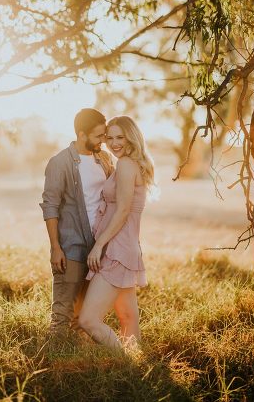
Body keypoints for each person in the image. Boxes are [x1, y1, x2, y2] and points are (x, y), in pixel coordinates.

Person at [78, 115, 155, 350]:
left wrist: (99, 245)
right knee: (128, 317)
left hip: (117, 249)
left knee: (88, 320)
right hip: (126, 246)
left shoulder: (126, 164)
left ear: (132, 137)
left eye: (120, 137)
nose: (114, 143)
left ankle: (124, 364)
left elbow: (122, 211)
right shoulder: (128, 164)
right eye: (109, 138)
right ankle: (137, 370)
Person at [40, 108, 113, 339]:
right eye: (98, 136)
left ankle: (79, 361)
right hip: (71, 246)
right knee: (62, 314)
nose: (103, 141)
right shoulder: (60, 162)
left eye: (105, 135)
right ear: (82, 135)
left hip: (98, 247)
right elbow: (50, 205)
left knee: (85, 315)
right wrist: (55, 248)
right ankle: (55, 364)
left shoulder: (104, 159)